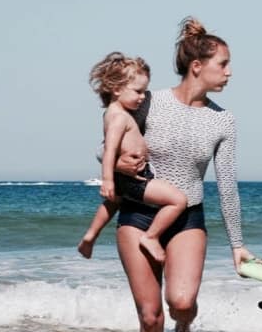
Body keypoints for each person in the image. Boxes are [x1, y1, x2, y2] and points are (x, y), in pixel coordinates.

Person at [114, 17, 255, 332]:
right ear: (197, 66)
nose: (229, 72)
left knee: (180, 302)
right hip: (139, 214)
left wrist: (237, 245)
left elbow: (227, 185)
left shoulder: (223, 120)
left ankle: (185, 329)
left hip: (188, 217)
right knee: (150, 318)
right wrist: (116, 165)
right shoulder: (150, 103)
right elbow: (109, 144)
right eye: (222, 64)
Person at [77, 53, 188, 263]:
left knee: (113, 203)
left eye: (145, 92)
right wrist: (107, 179)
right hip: (136, 178)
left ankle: (90, 236)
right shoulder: (119, 117)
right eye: (137, 91)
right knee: (178, 200)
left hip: (126, 177)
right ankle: (151, 236)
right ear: (117, 89)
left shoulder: (112, 112)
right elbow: (109, 149)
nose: (143, 97)